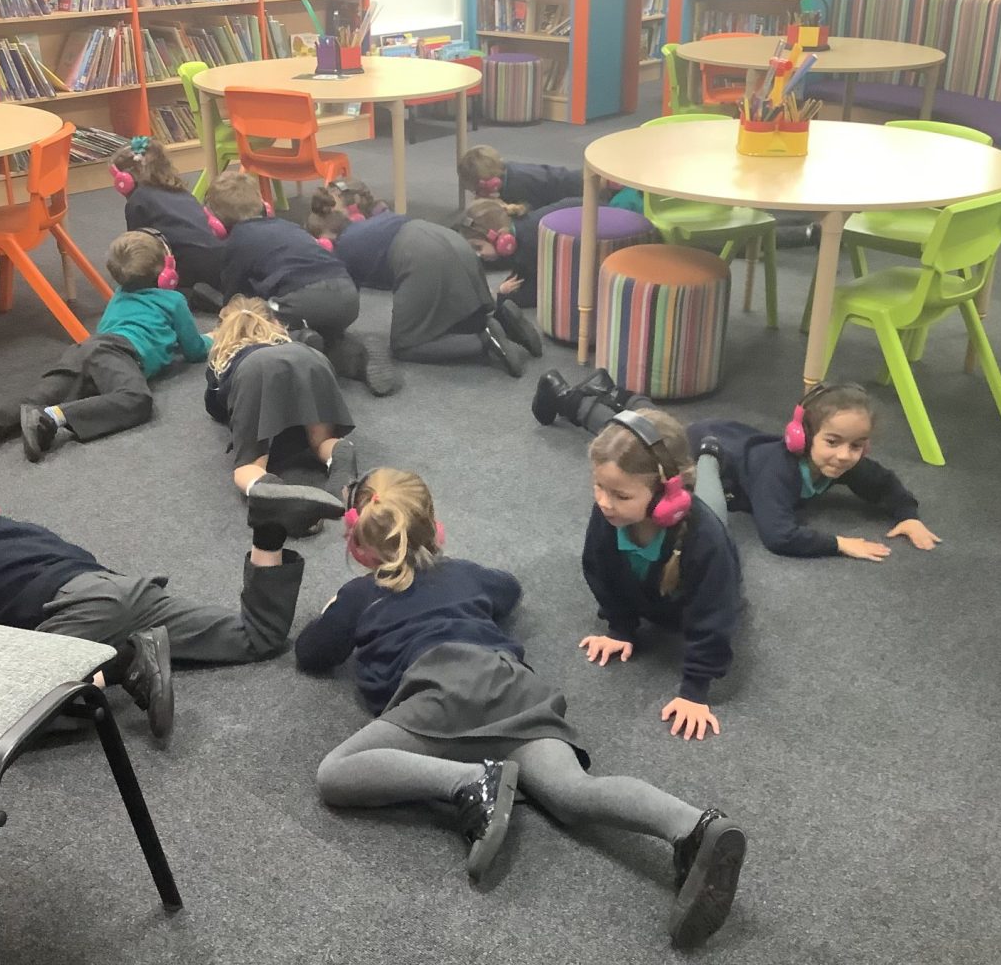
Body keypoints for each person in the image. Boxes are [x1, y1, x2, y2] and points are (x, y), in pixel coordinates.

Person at [293, 467, 747, 949]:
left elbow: (312, 653)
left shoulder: (359, 595)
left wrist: (332, 607)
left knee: (336, 772)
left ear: (359, 544)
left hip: (441, 694)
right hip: (514, 687)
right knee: (572, 792)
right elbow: (508, 590)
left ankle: (469, 782)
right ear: (434, 527)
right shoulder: (464, 573)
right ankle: (693, 825)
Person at [0, 465, 345, 745]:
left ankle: (123, 663)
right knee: (255, 637)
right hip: (126, 591)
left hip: (72, 616)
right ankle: (268, 533)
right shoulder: (21, 529)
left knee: (1, 713)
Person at [0, 230, 212, 465]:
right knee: (136, 400)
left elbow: (106, 333)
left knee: (36, 397)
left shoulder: (119, 295)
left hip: (85, 350)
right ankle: (54, 418)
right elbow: (195, 350)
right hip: (120, 354)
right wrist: (214, 338)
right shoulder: (173, 301)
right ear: (165, 273)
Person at [583, 409, 743, 742]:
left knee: (713, 503)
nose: (604, 502)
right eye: (598, 486)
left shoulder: (706, 540)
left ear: (666, 495)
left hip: (702, 535)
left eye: (620, 495)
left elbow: (715, 612)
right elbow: (600, 571)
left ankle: (709, 455)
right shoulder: (610, 514)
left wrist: (695, 690)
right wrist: (620, 627)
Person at [687, 383, 941, 560]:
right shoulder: (778, 471)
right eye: (832, 441)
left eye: (856, 445)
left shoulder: (842, 462)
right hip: (706, 448)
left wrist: (908, 516)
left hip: (743, 443)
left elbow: (883, 483)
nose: (844, 455)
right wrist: (839, 543)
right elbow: (778, 536)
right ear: (803, 437)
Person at [205, 170, 401, 397]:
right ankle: (357, 356)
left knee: (255, 325)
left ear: (217, 223)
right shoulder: (289, 225)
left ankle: (299, 340)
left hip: (301, 301)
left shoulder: (238, 242)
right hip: (347, 295)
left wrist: (225, 329)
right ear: (264, 205)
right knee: (323, 334)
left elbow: (236, 302)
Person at [306, 187, 541, 376]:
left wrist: (326, 334)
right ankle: (501, 319)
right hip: (450, 240)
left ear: (328, 239)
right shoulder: (372, 223)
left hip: (419, 258)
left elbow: (345, 303)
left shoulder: (344, 248)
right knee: (453, 317)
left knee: (405, 345)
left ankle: (483, 342)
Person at [206, 294, 357, 500]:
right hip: (310, 358)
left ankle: (274, 493)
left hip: (255, 370)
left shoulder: (223, 359)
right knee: (323, 440)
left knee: (249, 464)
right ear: (275, 322)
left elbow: (215, 408)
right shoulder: (288, 342)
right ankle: (338, 454)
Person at [110, 136, 226, 308]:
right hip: (221, 260)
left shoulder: (138, 201)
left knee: (147, 281)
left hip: (191, 268)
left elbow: (138, 247)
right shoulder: (181, 192)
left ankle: (192, 295)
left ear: (125, 180)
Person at [456, 196, 581, 308]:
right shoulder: (517, 228)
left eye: (478, 247)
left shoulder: (529, 245)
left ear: (498, 237)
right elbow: (520, 273)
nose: (478, 254)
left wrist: (501, 297)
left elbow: (538, 294)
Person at [456, 144, 583, 209]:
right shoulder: (507, 172)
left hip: (577, 191)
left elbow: (535, 214)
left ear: (489, 184)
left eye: (478, 190)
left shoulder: (517, 185)